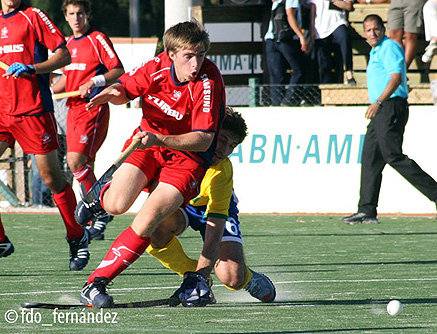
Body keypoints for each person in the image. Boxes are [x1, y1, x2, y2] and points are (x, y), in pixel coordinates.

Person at [76, 20, 226, 308]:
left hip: (187, 159)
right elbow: (125, 89)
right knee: (116, 205)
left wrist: (160, 138)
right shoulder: (156, 66)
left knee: (148, 220)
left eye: (200, 55)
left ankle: (94, 283)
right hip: (148, 145)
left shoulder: (209, 81)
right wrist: (112, 93)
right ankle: (103, 193)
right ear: (171, 54)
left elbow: (204, 140)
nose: (196, 64)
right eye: (188, 56)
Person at [0, 0, 91, 271]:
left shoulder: (33, 16)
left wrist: (32, 68)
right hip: (0, 110)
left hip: (33, 111)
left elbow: (64, 56)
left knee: (53, 181)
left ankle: (76, 235)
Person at [146, 107, 276, 306]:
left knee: (232, 278)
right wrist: (198, 277)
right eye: (222, 140)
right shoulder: (178, 146)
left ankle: (247, 278)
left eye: (231, 146)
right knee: (153, 227)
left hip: (214, 208)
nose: (224, 150)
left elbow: (213, 231)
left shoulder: (221, 172)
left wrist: (202, 273)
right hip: (183, 204)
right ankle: (191, 275)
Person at [342, 14, 437, 225]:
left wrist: (379, 102)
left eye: (376, 29)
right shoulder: (375, 51)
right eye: (368, 30)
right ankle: (367, 210)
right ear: (364, 34)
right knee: (370, 159)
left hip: (390, 106)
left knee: (392, 154)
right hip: (381, 109)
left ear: (382, 29)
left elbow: (396, 78)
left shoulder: (389, 47)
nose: (372, 33)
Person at [51, 0, 125, 240]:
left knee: (74, 162)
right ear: (66, 17)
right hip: (72, 109)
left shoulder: (97, 39)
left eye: (80, 13)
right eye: (71, 14)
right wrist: (44, 86)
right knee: (84, 168)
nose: (76, 18)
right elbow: (66, 81)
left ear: (88, 15)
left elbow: (117, 70)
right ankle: (96, 221)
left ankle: (102, 211)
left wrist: (94, 82)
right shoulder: (67, 44)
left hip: (92, 108)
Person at [265, 0, 308, 106]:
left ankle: (277, 103)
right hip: (285, 39)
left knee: (276, 75)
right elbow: (290, 15)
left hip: (271, 39)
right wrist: (301, 36)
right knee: (299, 70)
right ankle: (288, 100)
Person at [309, 0, 357, 85]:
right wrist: (312, 28)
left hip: (337, 22)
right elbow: (313, 8)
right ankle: (325, 85)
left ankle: (349, 73)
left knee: (344, 39)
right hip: (320, 27)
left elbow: (348, 6)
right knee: (323, 58)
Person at [386, 0, 426, 68]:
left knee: (410, 34)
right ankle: (397, 68)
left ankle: (403, 70)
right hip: (396, 2)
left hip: (414, 2)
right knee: (394, 34)